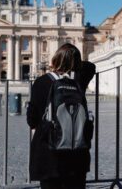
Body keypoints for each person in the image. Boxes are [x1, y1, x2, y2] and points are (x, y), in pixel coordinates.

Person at [27, 43, 96, 189]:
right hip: (77, 151)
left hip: (49, 152)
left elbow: (31, 119)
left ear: (54, 60)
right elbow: (90, 66)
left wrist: (59, 62)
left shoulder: (40, 82)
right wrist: (72, 59)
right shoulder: (79, 80)